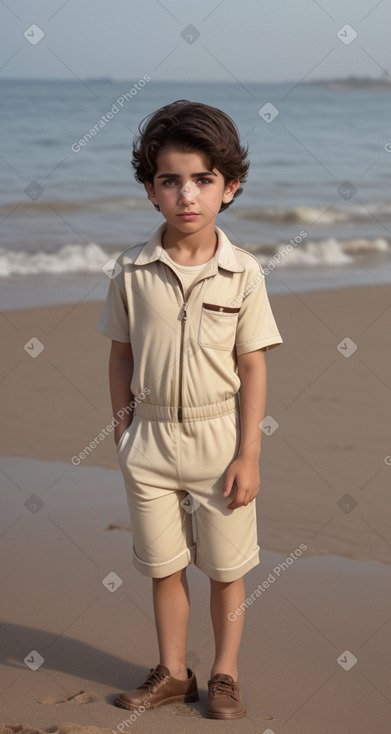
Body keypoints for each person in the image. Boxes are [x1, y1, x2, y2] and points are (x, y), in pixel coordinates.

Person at [96, 99, 283, 719]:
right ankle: (174, 673)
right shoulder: (131, 270)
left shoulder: (244, 273)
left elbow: (253, 365)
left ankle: (224, 675)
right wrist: (124, 429)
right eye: (170, 181)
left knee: (226, 568)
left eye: (202, 180)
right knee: (163, 564)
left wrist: (248, 453)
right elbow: (120, 355)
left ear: (229, 187)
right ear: (151, 190)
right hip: (147, 440)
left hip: (218, 442)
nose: (186, 195)